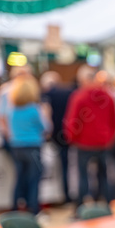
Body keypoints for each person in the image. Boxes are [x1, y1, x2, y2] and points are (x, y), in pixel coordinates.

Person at [63, 65, 115, 206]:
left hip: (84, 143)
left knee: (83, 176)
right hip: (103, 142)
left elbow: (73, 121)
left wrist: (71, 138)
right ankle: (106, 204)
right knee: (104, 175)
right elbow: (114, 120)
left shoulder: (79, 96)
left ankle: (82, 207)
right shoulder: (108, 96)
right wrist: (110, 137)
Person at [8, 75, 51, 215]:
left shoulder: (13, 109)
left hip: (16, 146)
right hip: (32, 146)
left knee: (19, 178)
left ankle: (15, 207)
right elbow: (45, 128)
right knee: (34, 179)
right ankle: (34, 210)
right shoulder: (34, 109)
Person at [40, 71, 74, 203]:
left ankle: (58, 196)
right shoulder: (68, 93)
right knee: (67, 167)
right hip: (67, 135)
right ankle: (67, 195)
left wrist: (47, 134)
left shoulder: (46, 96)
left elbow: (45, 117)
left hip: (53, 137)